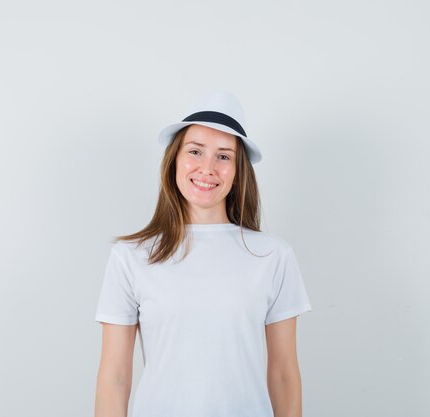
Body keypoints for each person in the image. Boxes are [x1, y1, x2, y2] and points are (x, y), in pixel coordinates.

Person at [94, 91, 313, 417]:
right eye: (195, 151)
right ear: (175, 159)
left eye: (224, 156)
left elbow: (283, 375)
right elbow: (115, 377)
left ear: (238, 170)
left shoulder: (272, 256)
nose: (207, 168)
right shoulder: (131, 257)